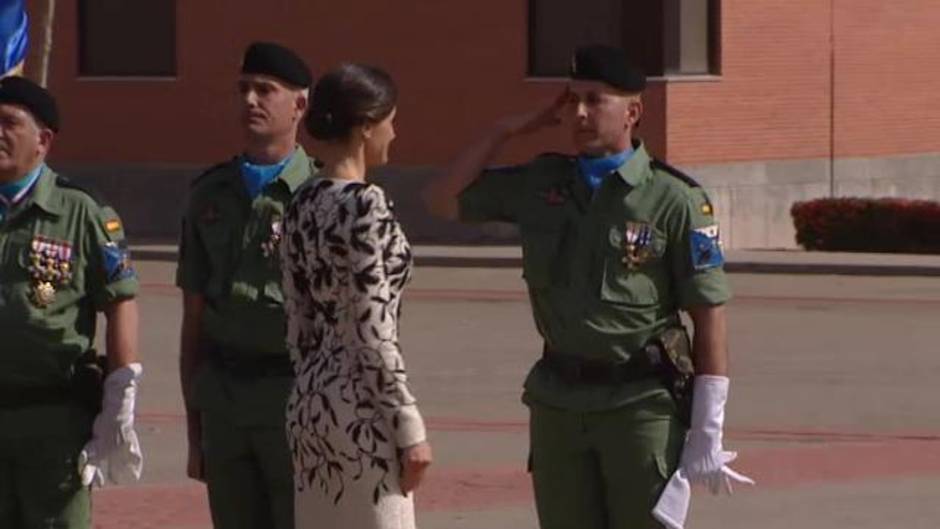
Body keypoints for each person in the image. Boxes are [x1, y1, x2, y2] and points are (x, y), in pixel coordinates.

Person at [423, 44, 753, 529]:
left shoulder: (674, 199)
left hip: (639, 407)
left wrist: (708, 424)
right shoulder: (543, 183)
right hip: (558, 402)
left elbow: (709, 313)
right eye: (572, 100)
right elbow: (440, 201)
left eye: (595, 100)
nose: (578, 113)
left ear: (633, 112)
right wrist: (506, 130)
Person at [280, 63, 432, 529]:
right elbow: (372, 329)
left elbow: (296, 322)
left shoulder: (301, 201)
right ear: (366, 126)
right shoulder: (367, 204)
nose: (394, 131)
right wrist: (409, 426)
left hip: (309, 402)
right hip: (362, 413)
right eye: (389, 119)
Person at [176, 41, 315, 529]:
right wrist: (195, 432)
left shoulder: (321, 195)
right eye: (243, 90)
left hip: (294, 400)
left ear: (300, 104)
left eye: (265, 90)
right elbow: (193, 319)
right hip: (224, 401)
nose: (250, 100)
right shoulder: (209, 194)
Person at [0, 76, 142, 529]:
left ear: (42, 140)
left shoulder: (80, 211)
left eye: (7, 123)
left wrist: (121, 399)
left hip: (53, 422)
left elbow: (120, 301)